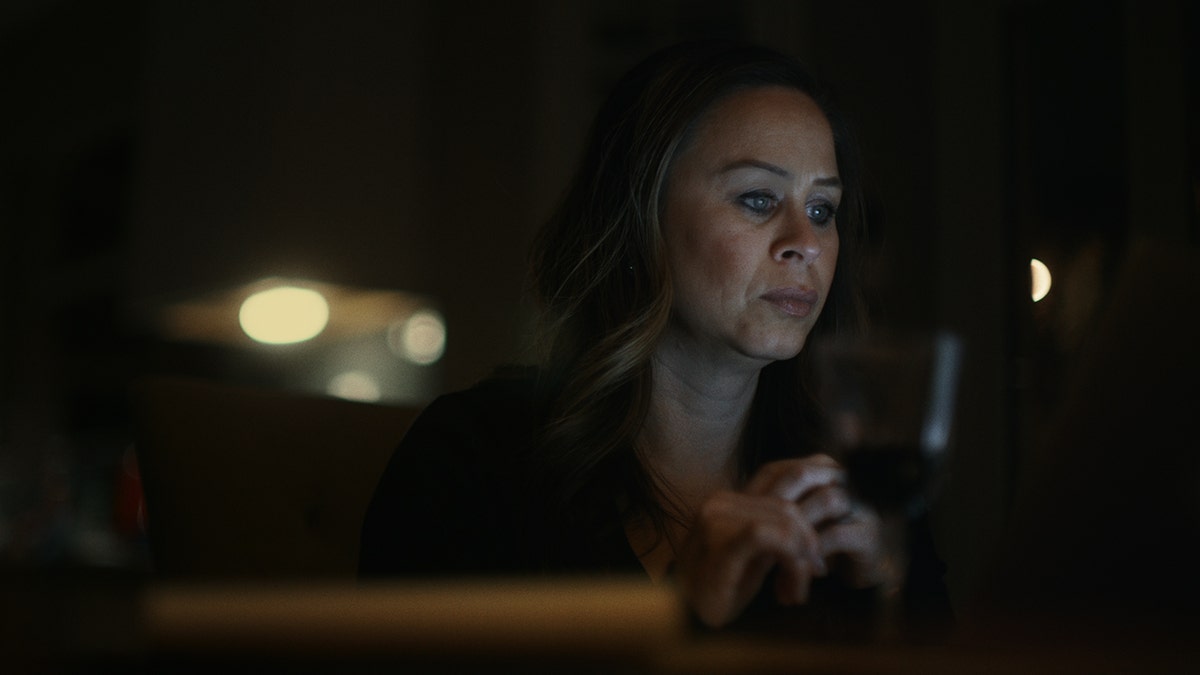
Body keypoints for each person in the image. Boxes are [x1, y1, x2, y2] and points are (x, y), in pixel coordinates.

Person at [359, 39, 950, 634]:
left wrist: (891, 595)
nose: (808, 241)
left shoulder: (859, 487)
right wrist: (678, 616)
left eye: (822, 209)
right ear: (641, 218)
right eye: (759, 199)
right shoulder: (472, 463)